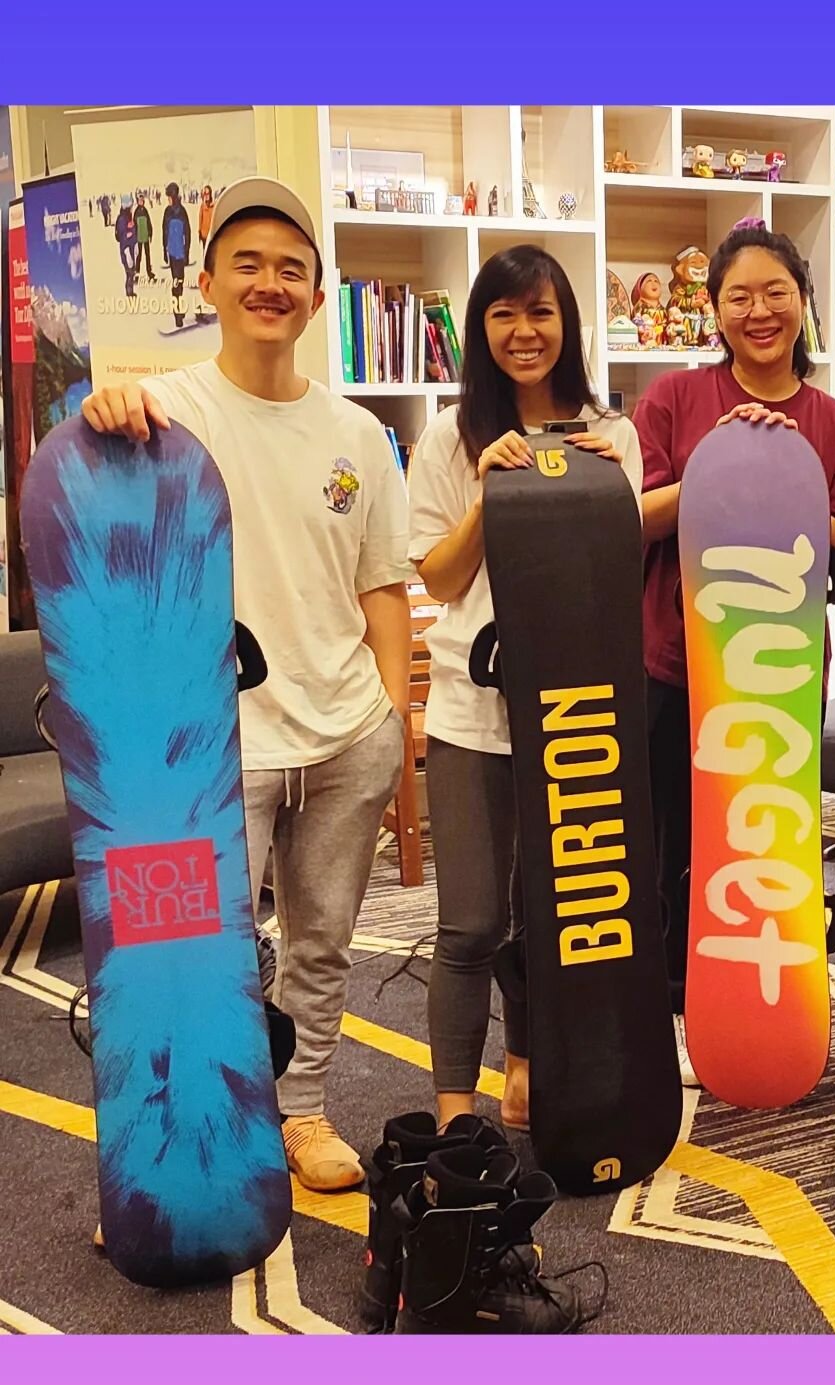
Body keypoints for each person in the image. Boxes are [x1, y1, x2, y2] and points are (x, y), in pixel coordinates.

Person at [79, 176, 411, 1191]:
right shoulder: (166, 412)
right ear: (211, 281)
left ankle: (302, 1112)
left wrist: (394, 721)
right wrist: (108, 401)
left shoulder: (358, 437)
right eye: (249, 264)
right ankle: (190, 1138)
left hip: (346, 728)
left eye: (292, 269)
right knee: (194, 956)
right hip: (212, 746)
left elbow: (383, 587)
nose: (270, 284)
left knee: (322, 944)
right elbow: (97, 477)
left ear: (318, 298)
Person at [407, 244, 642, 1134]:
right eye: (503, 315)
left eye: (540, 313)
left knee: (556, 917)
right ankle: (453, 1115)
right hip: (474, 711)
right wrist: (487, 492)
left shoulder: (610, 433)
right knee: (470, 922)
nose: (523, 332)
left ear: (567, 323)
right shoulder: (447, 434)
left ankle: (528, 1065)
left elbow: (617, 575)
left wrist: (596, 490)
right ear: (480, 329)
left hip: (576, 709)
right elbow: (436, 578)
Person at [634, 221, 835, 1083]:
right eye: (740, 296)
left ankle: (767, 1002)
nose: (760, 310)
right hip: (678, 660)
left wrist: (781, 470)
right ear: (714, 310)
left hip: (779, 671)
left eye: (777, 293)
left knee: (769, 840)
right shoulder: (671, 400)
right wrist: (722, 466)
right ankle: (673, 1003)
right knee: (672, 841)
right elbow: (640, 514)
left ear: (804, 302)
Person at [162, 182, 192, 329]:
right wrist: (164, 250)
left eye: (169, 196)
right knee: (176, 283)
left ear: (173, 196)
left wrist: (187, 253)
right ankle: (177, 315)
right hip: (173, 253)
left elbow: (188, 233)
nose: (168, 199)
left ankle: (179, 308)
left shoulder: (182, 212)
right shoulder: (167, 212)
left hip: (180, 253)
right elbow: (164, 231)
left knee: (179, 283)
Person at [134, 196, 155, 283]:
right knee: (139, 256)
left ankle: (149, 272)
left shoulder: (145, 211)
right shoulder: (136, 211)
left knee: (147, 255)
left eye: (142, 200)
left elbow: (149, 223)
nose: (141, 202)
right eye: (140, 201)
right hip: (139, 237)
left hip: (145, 236)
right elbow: (134, 225)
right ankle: (137, 273)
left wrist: (150, 233)